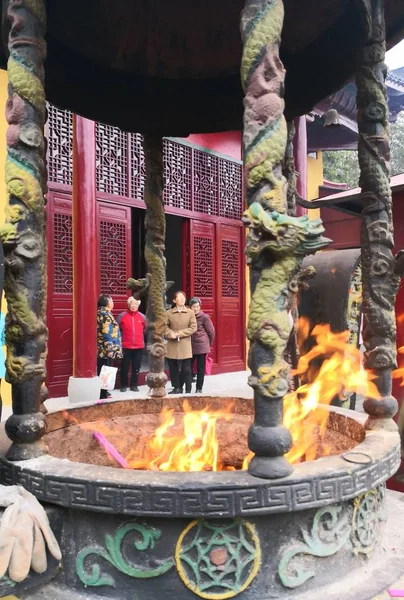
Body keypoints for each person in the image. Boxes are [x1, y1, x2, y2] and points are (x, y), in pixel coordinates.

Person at [165, 291, 197, 394]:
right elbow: (164, 327)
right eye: (179, 297)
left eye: (183, 297)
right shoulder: (168, 313)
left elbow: (193, 327)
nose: (182, 299)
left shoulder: (190, 312)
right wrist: (170, 333)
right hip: (172, 344)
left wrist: (180, 333)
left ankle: (188, 389)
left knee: (186, 369)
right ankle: (177, 388)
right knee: (173, 368)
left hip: (185, 344)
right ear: (174, 300)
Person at [117, 297, 146, 392]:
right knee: (124, 366)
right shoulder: (122, 316)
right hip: (126, 346)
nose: (134, 306)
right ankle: (123, 385)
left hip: (138, 346)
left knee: (136, 366)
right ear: (128, 305)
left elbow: (145, 330)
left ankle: (134, 385)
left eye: (136, 304)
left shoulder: (142, 316)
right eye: (132, 304)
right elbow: (117, 330)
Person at [97, 294, 122, 399]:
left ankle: (104, 392)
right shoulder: (105, 315)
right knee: (105, 370)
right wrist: (110, 349)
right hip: (106, 349)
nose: (113, 303)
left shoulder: (102, 313)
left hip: (103, 348)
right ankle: (103, 394)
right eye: (111, 301)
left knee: (104, 370)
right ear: (107, 303)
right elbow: (106, 333)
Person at [189, 297, 215, 393]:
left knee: (200, 369)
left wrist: (208, 344)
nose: (195, 309)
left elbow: (211, 332)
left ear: (200, 307)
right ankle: (185, 387)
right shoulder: (189, 316)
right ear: (190, 307)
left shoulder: (204, 317)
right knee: (187, 368)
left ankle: (199, 388)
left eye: (197, 306)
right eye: (193, 307)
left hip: (201, 347)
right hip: (190, 346)